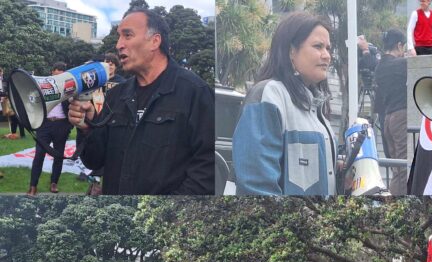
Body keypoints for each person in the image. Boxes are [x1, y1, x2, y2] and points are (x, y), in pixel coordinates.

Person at [68, 9, 214, 195]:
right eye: (119, 37)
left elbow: (208, 166)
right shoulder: (116, 96)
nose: (119, 45)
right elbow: (94, 161)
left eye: (127, 35)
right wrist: (87, 127)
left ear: (155, 41)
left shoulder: (195, 92)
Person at [232, 11, 337, 196]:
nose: (327, 55)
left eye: (328, 48)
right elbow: (256, 186)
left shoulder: (317, 107)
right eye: (318, 46)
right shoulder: (269, 95)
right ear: (291, 51)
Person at [28, 62, 72, 196]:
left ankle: (54, 183)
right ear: (52, 72)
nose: (58, 77)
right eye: (56, 74)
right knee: (39, 155)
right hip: (45, 124)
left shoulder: (68, 86)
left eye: (61, 75)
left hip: (61, 124)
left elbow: (73, 103)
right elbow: (33, 100)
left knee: (58, 155)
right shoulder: (43, 86)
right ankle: (33, 186)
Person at [374, 29, 409, 195]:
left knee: (397, 169)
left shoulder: (379, 67)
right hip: (402, 116)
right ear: (399, 45)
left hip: (387, 119)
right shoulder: (402, 64)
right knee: (404, 169)